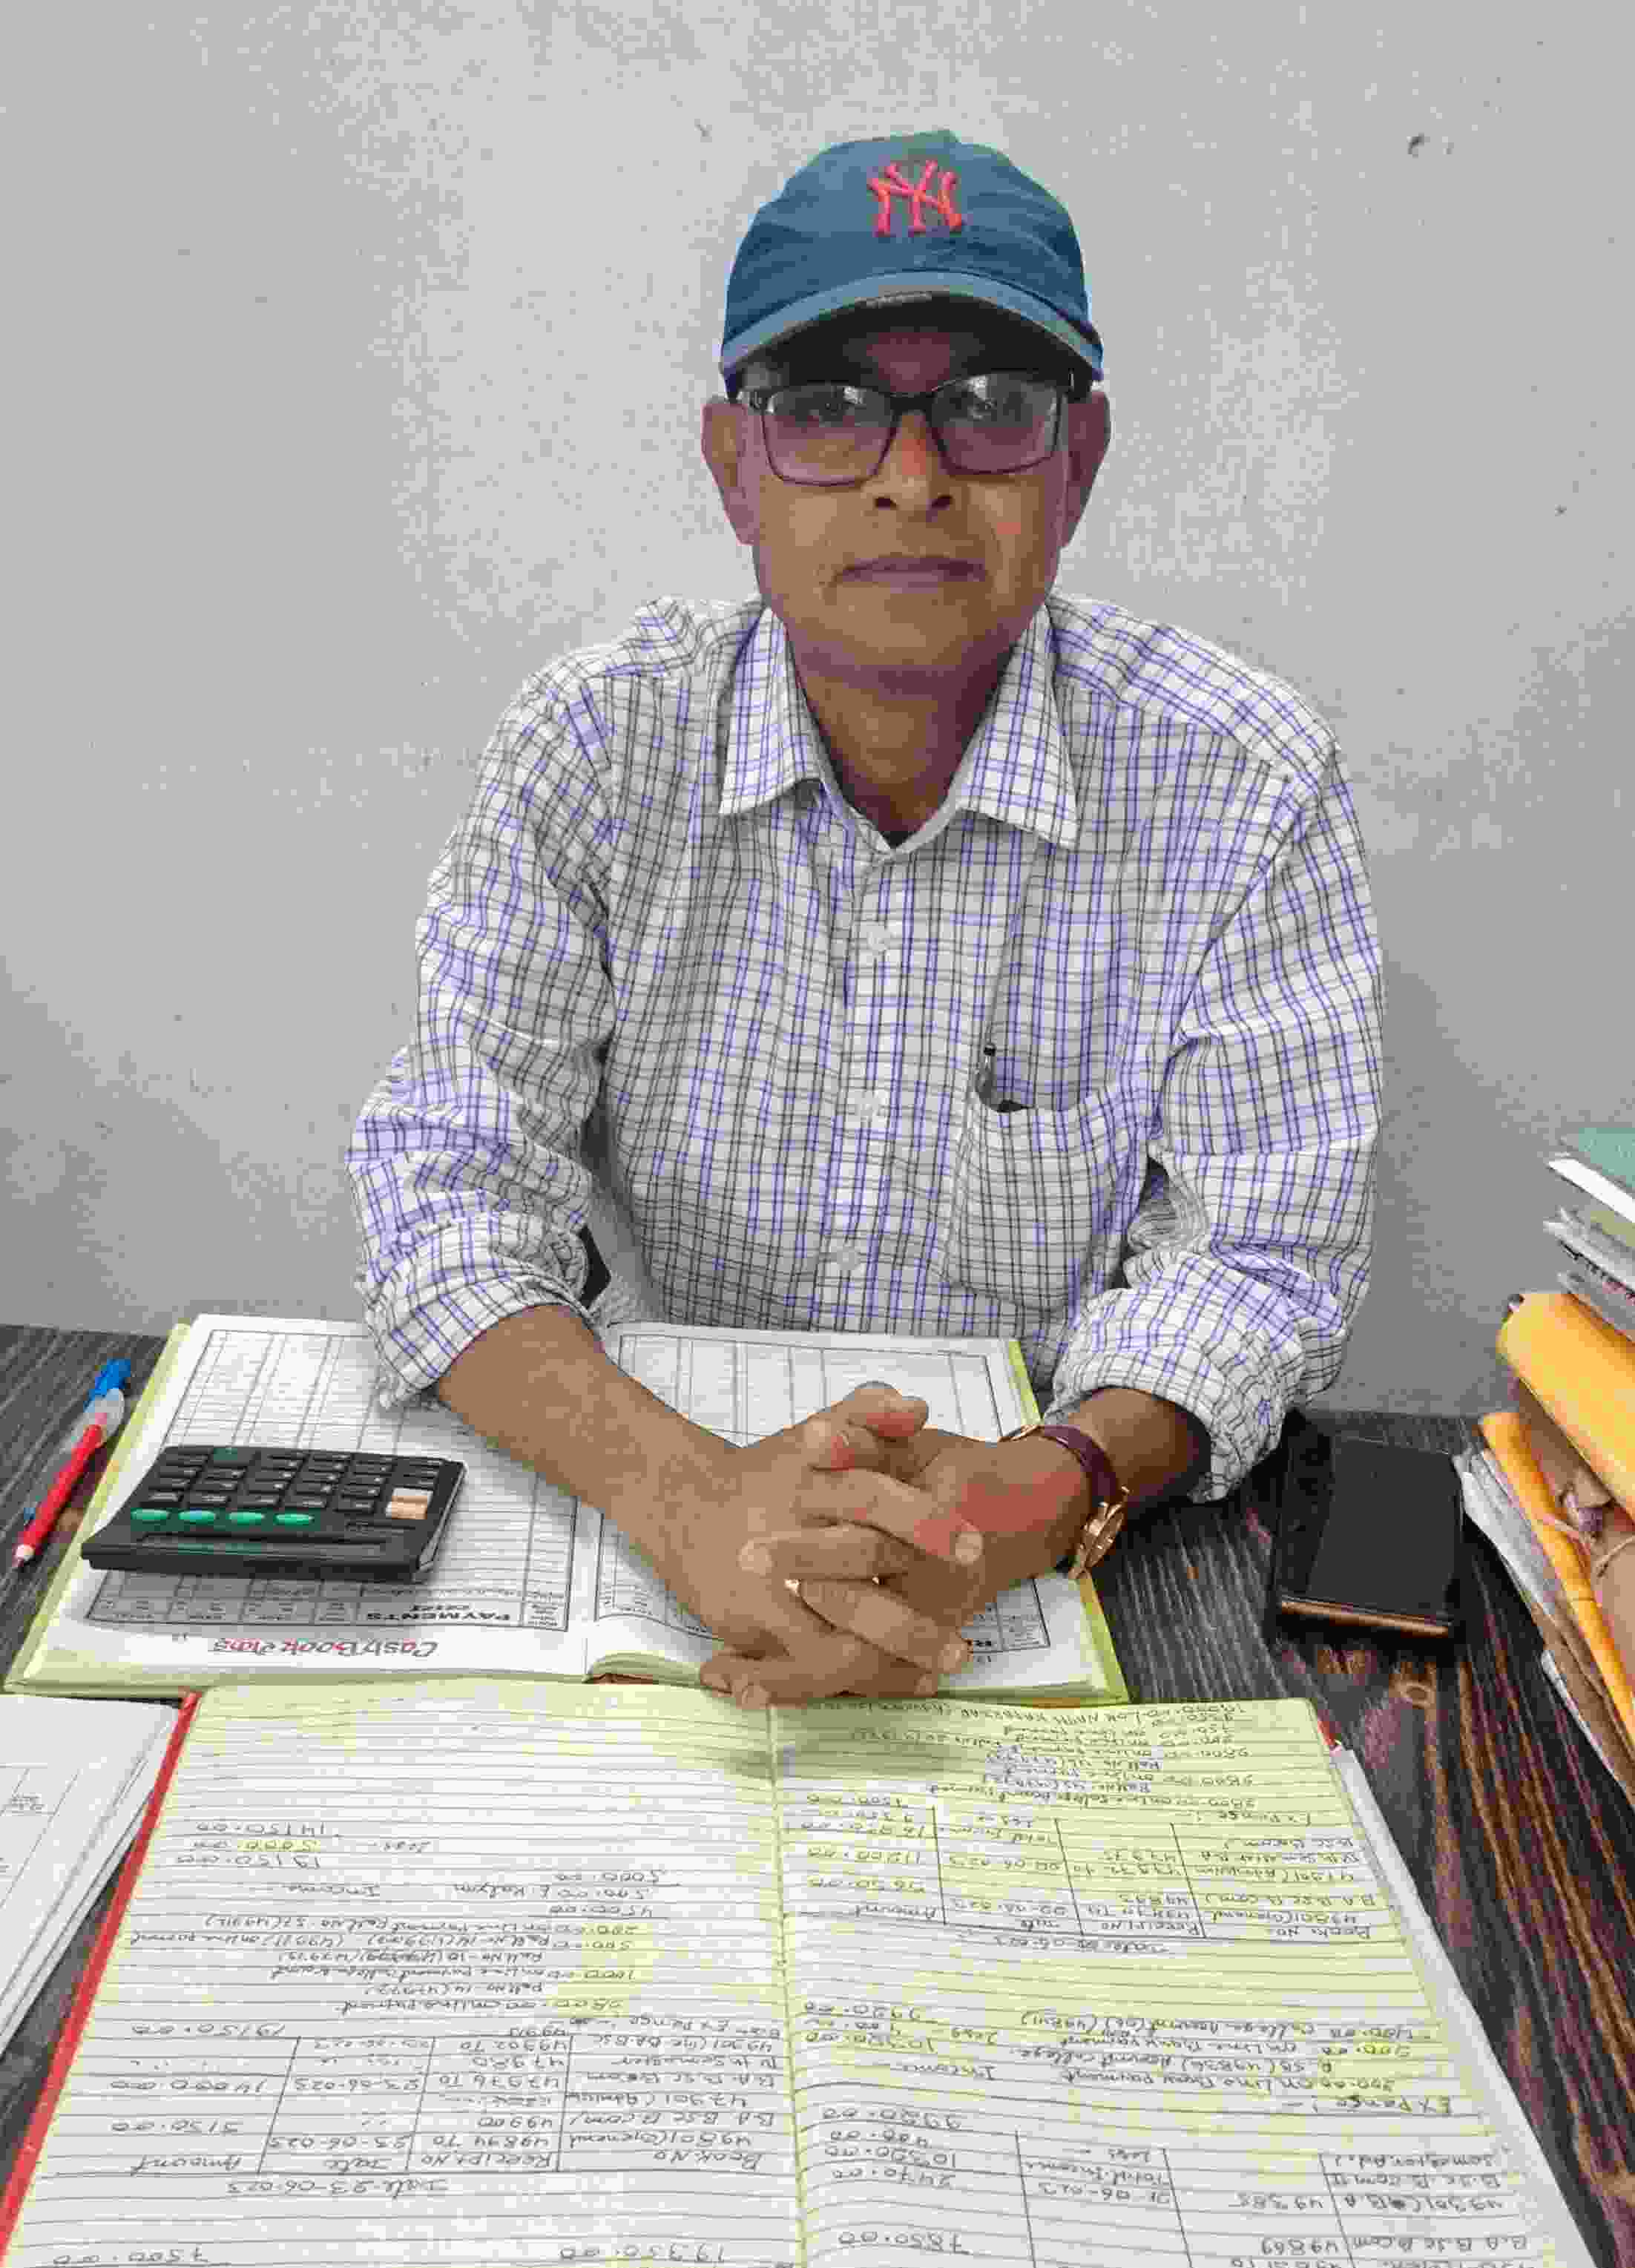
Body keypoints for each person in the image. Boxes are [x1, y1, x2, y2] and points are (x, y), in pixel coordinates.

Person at [346, 128, 1384, 1709]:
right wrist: (687, 1495)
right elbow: (447, 1189)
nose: (912, 476)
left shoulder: (1242, 778)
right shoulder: (596, 745)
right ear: (732, 466)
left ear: (1078, 461)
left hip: (1056, 1543)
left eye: (990, 405)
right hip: (655, 1515)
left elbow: (1260, 1261)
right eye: (828, 409)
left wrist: (1037, 1489)